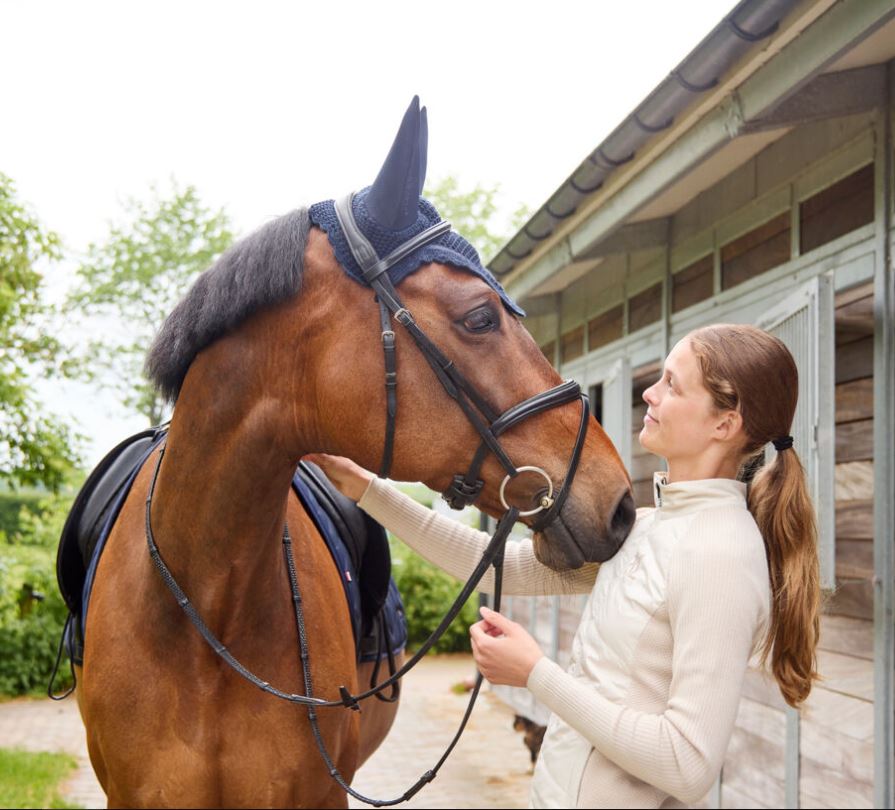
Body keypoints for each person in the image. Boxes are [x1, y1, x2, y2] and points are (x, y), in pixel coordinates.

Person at [305, 323, 821, 809]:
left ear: (724, 423)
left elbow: (688, 763)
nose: (650, 394)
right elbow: (496, 566)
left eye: (672, 385)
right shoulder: (649, 528)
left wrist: (535, 673)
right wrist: (366, 490)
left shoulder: (720, 555)